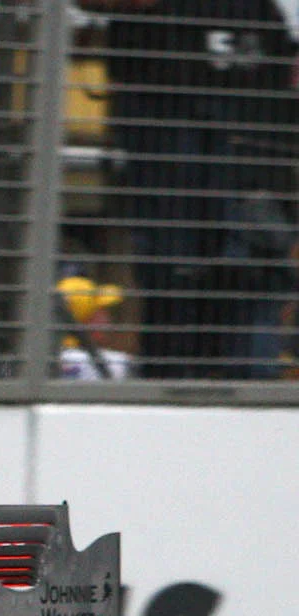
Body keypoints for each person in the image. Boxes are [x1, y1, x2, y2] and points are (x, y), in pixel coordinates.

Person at [79, 0, 299, 378]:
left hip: (255, 173)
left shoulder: (264, 17)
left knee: (251, 285)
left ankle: (238, 397)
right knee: (175, 284)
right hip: (173, 163)